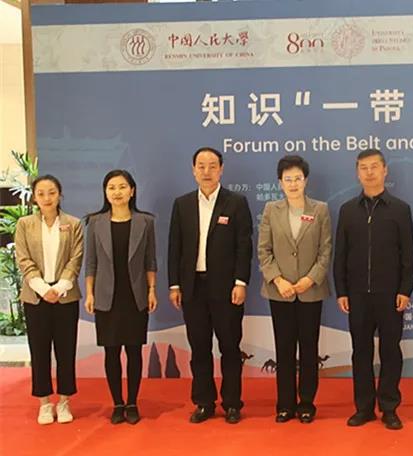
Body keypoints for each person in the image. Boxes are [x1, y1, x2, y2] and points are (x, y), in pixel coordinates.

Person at [168, 147, 253, 424]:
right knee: (199, 348)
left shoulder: (236, 203)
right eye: (201, 166)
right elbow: (175, 247)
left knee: (230, 348)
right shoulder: (182, 204)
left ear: (221, 169)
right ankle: (204, 402)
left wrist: (241, 282)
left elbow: (244, 247)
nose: (207, 171)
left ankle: (232, 403)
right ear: (193, 170)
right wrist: (174, 285)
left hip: (227, 289)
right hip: (193, 288)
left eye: (212, 165)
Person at [333, 148, 413, 431]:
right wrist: (342, 291)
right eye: (363, 168)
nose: (369, 172)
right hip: (357, 295)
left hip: (391, 295)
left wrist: (405, 289)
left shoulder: (400, 209)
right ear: (357, 173)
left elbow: (408, 253)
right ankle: (364, 408)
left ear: (384, 170)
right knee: (361, 352)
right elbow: (340, 255)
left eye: (374, 167)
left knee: (391, 351)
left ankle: (389, 407)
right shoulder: (347, 210)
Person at [257, 155, 332, 424]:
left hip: (310, 291)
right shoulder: (271, 209)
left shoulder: (320, 209)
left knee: (309, 349)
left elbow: (325, 251)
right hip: (280, 292)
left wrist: (310, 279)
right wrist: (278, 280)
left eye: (297, 178)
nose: (293, 184)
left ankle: (307, 403)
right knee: (284, 348)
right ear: (280, 182)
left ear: (305, 180)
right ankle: (285, 404)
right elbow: (264, 250)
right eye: (287, 179)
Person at [84, 169, 157, 425]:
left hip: (135, 296)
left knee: (134, 351)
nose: (117, 192)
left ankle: (132, 402)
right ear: (105, 192)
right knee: (111, 352)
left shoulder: (145, 222)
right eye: (112, 187)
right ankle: (117, 403)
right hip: (107, 297)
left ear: (132, 191)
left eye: (122, 187)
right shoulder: (95, 223)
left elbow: (150, 260)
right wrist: (89, 293)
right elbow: (91, 262)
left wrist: (151, 289)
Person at [14, 175, 83, 425]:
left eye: (52, 192)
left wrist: (60, 287)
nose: (46, 198)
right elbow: (23, 258)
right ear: (34, 197)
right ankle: (44, 402)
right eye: (41, 193)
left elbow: (76, 258)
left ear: (60, 194)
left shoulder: (73, 224)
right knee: (40, 351)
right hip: (36, 297)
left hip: (65, 297)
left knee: (66, 350)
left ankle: (64, 401)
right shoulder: (24, 224)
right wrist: (43, 289)